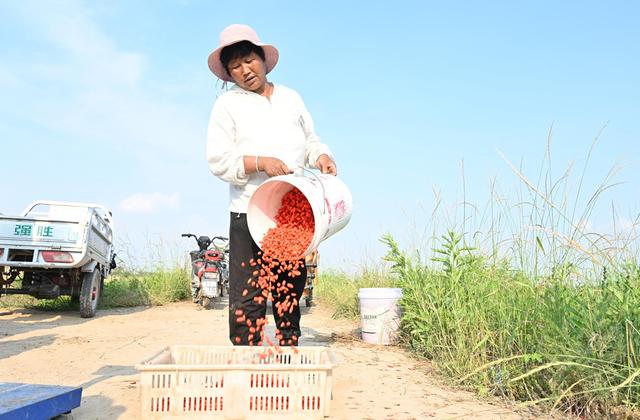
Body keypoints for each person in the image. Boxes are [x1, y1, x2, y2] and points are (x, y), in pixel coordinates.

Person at [206, 24, 337, 346]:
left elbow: (310, 141)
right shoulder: (228, 105)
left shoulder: (291, 98)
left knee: (289, 287)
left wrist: (321, 156)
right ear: (228, 74)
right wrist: (260, 162)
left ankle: (288, 348)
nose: (244, 70)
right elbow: (218, 160)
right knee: (248, 295)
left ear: (263, 59)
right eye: (235, 66)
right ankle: (246, 360)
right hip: (248, 211)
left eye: (249, 60)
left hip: (291, 213)